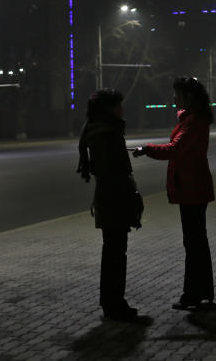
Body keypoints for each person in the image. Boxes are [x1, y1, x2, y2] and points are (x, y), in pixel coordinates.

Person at [134, 76, 216, 311]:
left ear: (188, 97)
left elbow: (174, 150)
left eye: (177, 94)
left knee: (193, 243)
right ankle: (202, 292)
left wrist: (147, 149)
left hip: (193, 188)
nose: (173, 97)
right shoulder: (193, 119)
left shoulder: (194, 122)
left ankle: (193, 294)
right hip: (193, 187)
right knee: (196, 242)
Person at [76, 88, 143, 321]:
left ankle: (112, 302)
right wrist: (129, 195)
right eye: (118, 106)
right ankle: (114, 304)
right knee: (116, 253)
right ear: (110, 109)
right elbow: (113, 171)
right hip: (113, 199)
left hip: (109, 198)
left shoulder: (99, 130)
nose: (122, 110)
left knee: (113, 251)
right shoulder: (106, 133)